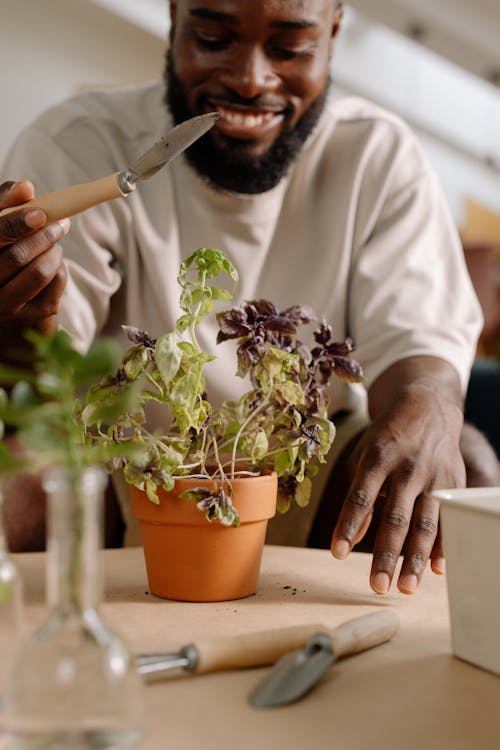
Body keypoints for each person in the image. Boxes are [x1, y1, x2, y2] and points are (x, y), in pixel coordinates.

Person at [1, 0, 498, 594]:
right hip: (118, 473)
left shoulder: (376, 155)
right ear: (173, 15)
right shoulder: (81, 144)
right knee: (18, 465)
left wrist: (432, 401)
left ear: (335, 29)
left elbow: (419, 355)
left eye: (290, 48)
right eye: (213, 38)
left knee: (464, 456)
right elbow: (38, 378)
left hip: (305, 478)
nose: (250, 79)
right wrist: (15, 330)